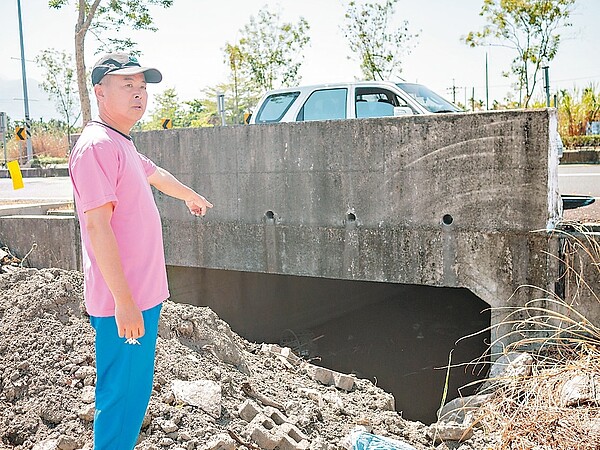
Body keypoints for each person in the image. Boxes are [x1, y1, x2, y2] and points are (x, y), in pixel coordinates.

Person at [68, 52, 213, 449]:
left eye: (142, 86)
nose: (139, 94)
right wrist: (124, 302)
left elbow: (155, 174)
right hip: (126, 301)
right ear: (99, 92)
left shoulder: (121, 142)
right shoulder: (96, 146)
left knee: (134, 395)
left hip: (140, 297)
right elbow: (97, 226)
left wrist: (189, 196)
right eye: (127, 85)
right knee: (122, 399)